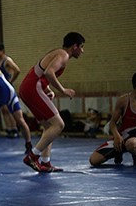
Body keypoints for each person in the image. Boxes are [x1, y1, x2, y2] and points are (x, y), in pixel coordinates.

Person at [18, 32, 86, 173]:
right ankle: (32, 156)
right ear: (74, 46)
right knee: (59, 124)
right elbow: (49, 72)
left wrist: (47, 89)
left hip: (29, 87)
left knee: (49, 126)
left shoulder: (57, 53)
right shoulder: (63, 55)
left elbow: (41, 73)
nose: (82, 50)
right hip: (32, 87)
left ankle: (45, 162)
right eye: (81, 47)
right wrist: (63, 90)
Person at [89, 71, 136, 167]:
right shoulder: (124, 100)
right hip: (122, 138)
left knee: (132, 144)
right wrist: (116, 136)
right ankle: (118, 152)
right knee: (94, 160)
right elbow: (112, 122)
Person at [0, 43, 23, 137]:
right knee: (3, 109)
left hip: (7, 88)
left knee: (8, 108)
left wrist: (11, 81)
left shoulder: (7, 60)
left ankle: (14, 129)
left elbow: (17, 70)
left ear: (2, 51)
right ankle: (9, 129)